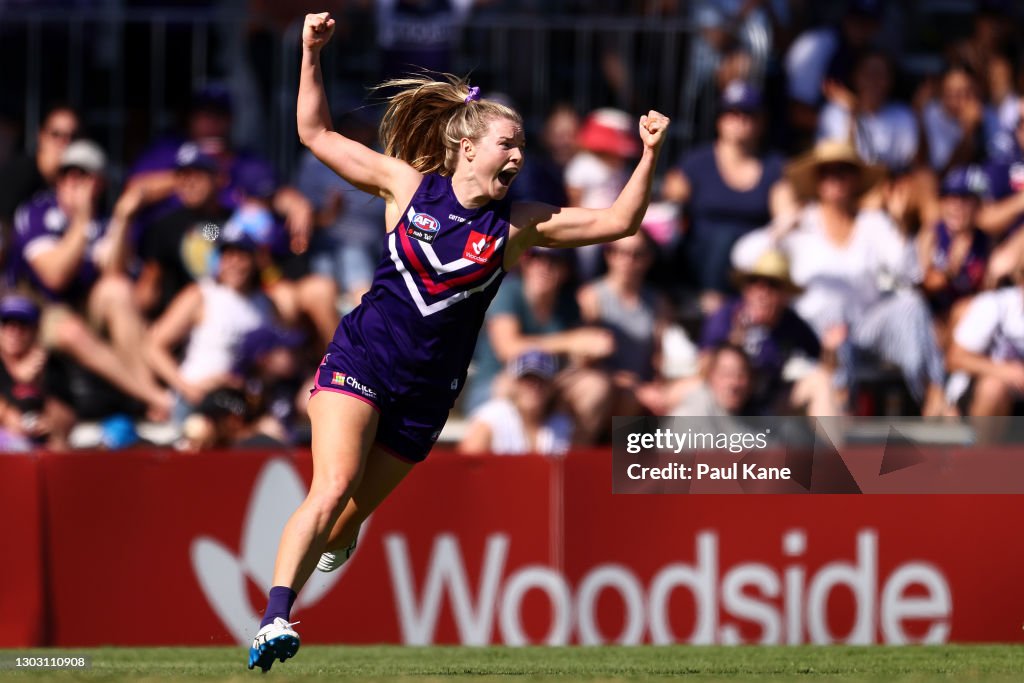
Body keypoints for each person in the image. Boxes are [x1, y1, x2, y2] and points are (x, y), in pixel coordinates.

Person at [247, 12, 669, 673]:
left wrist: (647, 153)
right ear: (467, 148)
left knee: (348, 517)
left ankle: (335, 541)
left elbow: (621, 220)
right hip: (360, 361)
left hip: (425, 395)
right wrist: (309, 51)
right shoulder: (406, 186)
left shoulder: (517, 227)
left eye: (523, 145)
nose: (519, 155)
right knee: (329, 487)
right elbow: (314, 132)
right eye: (508, 143)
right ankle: (274, 617)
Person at [732, 140, 950, 416]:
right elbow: (741, 258)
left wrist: (900, 226)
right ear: (817, 181)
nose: (835, 179)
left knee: (911, 303)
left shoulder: (873, 222)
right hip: (812, 333)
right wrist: (779, 229)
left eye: (843, 171)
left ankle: (934, 394)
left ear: (856, 180)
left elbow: (909, 273)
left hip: (866, 328)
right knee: (833, 311)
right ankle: (839, 406)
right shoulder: (803, 223)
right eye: (827, 172)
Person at [662, 81, 796, 311]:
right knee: (721, 238)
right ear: (719, 120)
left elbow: (787, 214)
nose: (740, 120)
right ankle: (711, 304)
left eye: (749, 114)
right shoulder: (696, 162)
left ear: (762, 122)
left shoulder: (774, 166)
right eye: (732, 113)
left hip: (752, 260)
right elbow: (668, 202)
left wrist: (769, 236)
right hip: (699, 256)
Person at [458, 349, 573, 456]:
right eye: (526, 379)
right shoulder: (492, 419)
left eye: (541, 379)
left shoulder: (562, 424)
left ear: (551, 385)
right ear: (514, 383)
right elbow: (467, 466)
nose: (534, 386)